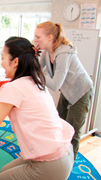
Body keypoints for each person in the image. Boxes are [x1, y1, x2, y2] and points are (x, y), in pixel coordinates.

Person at [0, 37, 75, 179]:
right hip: (63, 152)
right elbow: (23, 108)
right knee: (4, 171)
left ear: (15, 61)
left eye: (3, 58)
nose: (1, 63)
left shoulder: (12, 87)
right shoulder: (36, 80)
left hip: (51, 161)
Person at [34, 21, 94, 159]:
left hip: (81, 92)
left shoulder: (63, 53)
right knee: (59, 124)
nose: (35, 40)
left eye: (38, 37)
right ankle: (59, 158)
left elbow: (55, 84)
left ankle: (69, 164)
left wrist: (37, 74)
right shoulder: (46, 52)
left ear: (50, 37)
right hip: (68, 91)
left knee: (72, 131)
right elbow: (36, 69)